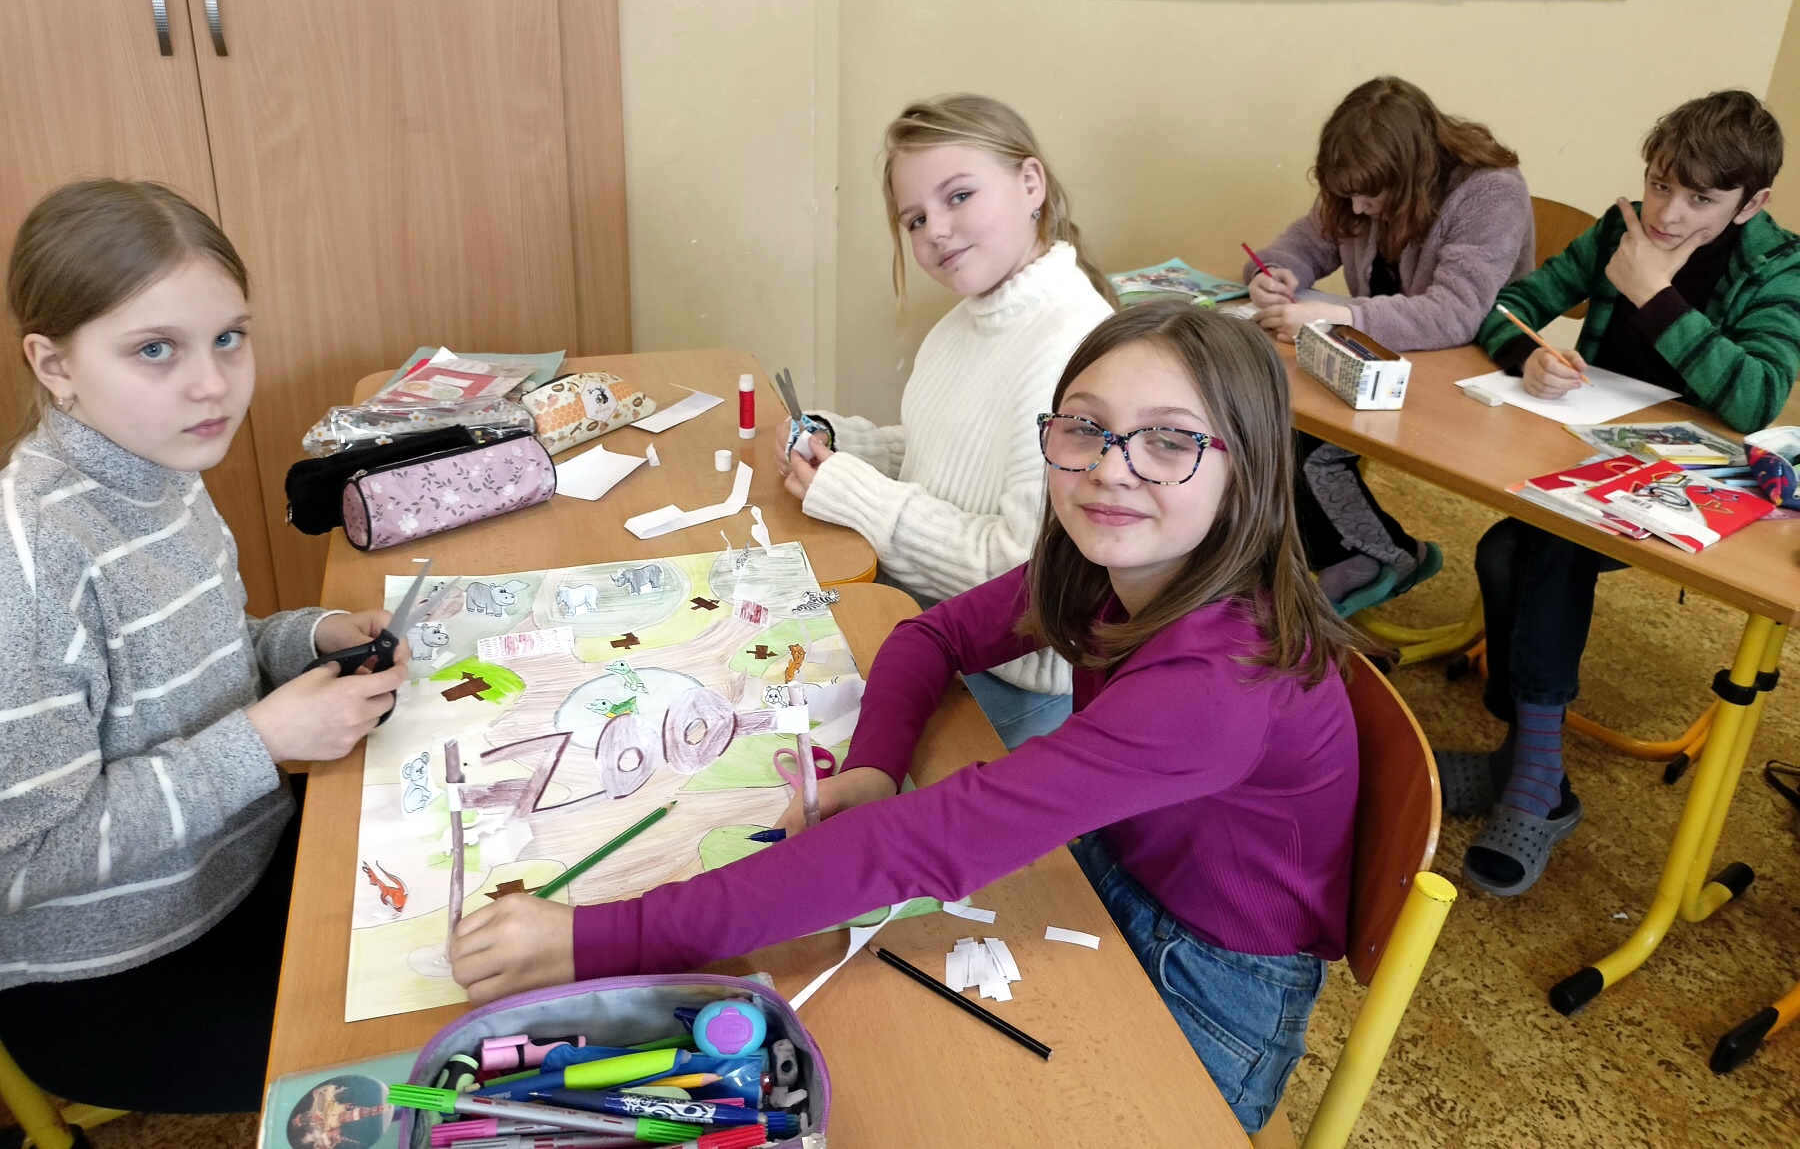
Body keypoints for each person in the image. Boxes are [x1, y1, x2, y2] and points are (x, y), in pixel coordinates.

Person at [450, 301, 1364, 1135]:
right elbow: (931, 635)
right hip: (1117, 867)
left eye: (1169, 442)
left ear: (1247, 468)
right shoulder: (1109, 563)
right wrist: (876, 766)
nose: (1109, 468)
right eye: (1085, 428)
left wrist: (599, 937)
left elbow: (927, 843)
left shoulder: (1220, 679)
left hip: (1211, 979)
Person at [0, 181, 406, 1113]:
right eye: (155, 349)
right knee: (431, 1049)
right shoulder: (29, 562)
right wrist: (261, 742)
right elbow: (23, 860)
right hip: (117, 978)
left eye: (228, 337)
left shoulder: (159, 464)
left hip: (243, 869)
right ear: (54, 365)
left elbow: (202, 656)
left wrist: (309, 638)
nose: (212, 383)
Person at [1439, 90, 1800, 897]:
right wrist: (1527, 355)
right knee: (1503, 552)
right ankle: (1528, 764)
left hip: (1700, 483)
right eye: (1660, 184)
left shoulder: (1781, 265)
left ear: (1752, 204)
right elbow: (1505, 305)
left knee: (1548, 547)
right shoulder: (1620, 227)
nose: (1667, 214)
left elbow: (1756, 397)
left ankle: (1532, 777)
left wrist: (1654, 295)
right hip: (1593, 451)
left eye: (1700, 199)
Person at [776, 94, 1115, 747]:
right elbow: (942, 457)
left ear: (1031, 183)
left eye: (959, 196)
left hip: (1010, 679)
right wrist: (844, 445)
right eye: (915, 218)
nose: (935, 229)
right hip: (929, 623)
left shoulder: (1071, 346)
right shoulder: (963, 323)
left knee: (785, 735)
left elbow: (1026, 577)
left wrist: (855, 493)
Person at [1244, 76, 1534, 614]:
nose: (1357, 207)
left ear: (1413, 175)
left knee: (1306, 448)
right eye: (1346, 194)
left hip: (1464, 371)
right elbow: (1307, 241)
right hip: (1381, 357)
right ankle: (1347, 553)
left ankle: (1380, 556)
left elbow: (1456, 313)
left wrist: (1339, 315)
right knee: (1266, 418)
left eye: (1370, 196)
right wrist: (1274, 272)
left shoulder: (1491, 192)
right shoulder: (1367, 181)